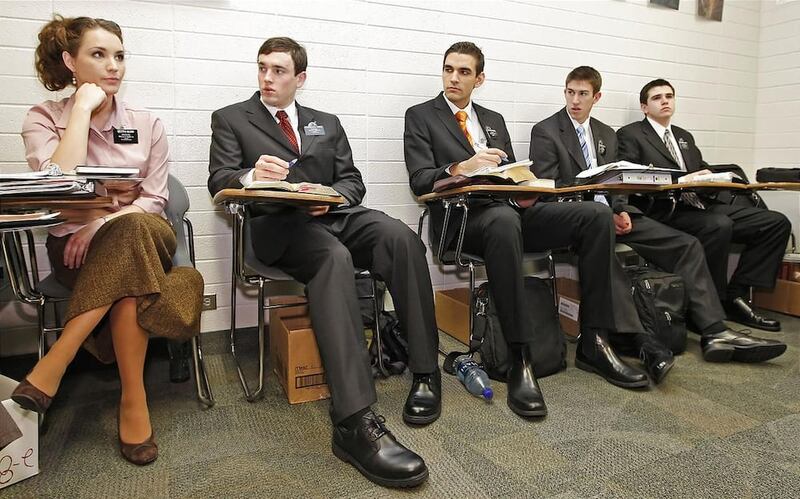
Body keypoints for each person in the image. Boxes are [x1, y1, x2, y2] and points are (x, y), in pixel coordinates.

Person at [207, 37, 433, 488]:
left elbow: (352, 179)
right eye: (262, 68)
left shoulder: (324, 122)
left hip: (331, 215)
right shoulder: (232, 118)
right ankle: (353, 421)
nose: (267, 78)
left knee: (400, 237)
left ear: (300, 78)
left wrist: (331, 198)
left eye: (278, 71)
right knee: (334, 258)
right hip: (278, 229)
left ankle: (426, 372)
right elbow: (219, 179)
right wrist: (253, 176)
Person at [404, 41, 654, 412]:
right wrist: (462, 167)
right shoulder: (421, 115)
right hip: (462, 220)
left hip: (508, 212)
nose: (453, 78)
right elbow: (420, 180)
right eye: (448, 69)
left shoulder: (493, 120)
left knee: (595, 216)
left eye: (464, 72)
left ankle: (595, 342)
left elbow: (510, 179)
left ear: (480, 78)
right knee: (504, 221)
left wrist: (525, 187)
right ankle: (521, 356)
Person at [11, 15, 205, 465]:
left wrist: (99, 222)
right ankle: (133, 403)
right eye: (98, 55)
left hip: (142, 231)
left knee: (131, 229)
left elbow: (154, 199)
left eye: (119, 56)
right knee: (128, 287)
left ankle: (56, 360)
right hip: (74, 251)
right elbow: (54, 186)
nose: (113, 66)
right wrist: (79, 110)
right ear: (70, 61)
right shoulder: (44, 117)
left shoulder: (147, 122)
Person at [530, 67, 786, 366]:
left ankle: (714, 330)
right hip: (577, 218)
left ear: (596, 96)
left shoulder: (606, 134)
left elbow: (619, 182)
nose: (575, 100)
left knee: (687, 244)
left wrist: (621, 208)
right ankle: (641, 341)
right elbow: (549, 187)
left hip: (614, 213)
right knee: (603, 247)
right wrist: (597, 206)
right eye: (570, 92)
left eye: (583, 94)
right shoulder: (546, 130)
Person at [617, 79, 790, 359]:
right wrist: (681, 179)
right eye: (658, 97)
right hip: (666, 209)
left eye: (670, 96)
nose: (665, 101)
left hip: (700, 203)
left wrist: (711, 178)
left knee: (775, 222)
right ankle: (711, 309)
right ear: (644, 106)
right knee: (718, 226)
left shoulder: (684, 136)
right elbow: (631, 176)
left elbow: (699, 171)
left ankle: (735, 294)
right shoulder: (631, 135)